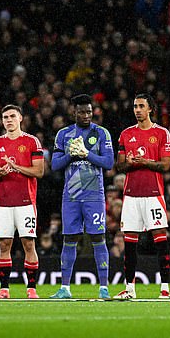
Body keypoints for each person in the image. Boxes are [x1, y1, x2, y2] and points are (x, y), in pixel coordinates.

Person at [49, 94, 115, 299]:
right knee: (70, 239)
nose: (86, 115)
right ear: (74, 112)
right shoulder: (64, 134)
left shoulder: (101, 133)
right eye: (81, 112)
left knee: (98, 237)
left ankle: (103, 288)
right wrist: (71, 154)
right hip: (71, 196)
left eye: (89, 111)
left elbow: (109, 163)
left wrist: (86, 154)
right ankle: (65, 289)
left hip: (94, 195)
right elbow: (54, 165)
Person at [114, 93, 170, 299]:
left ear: (150, 109)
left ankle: (165, 288)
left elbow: (166, 165)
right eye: (135, 106)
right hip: (131, 196)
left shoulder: (162, 133)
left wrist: (143, 161)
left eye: (141, 106)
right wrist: (129, 162)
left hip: (154, 194)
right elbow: (119, 165)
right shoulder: (126, 134)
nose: (137, 110)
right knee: (130, 243)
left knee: (160, 241)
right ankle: (130, 288)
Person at [0, 105, 44, 299]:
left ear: (21, 118)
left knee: (29, 244)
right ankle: (4, 289)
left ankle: (32, 289)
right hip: (3, 202)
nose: (9, 120)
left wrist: (15, 167)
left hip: (26, 202)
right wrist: (0, 172)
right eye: (5, 117)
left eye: (12, 116)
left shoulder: (31, 141)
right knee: (4, 245)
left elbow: (39, 172)